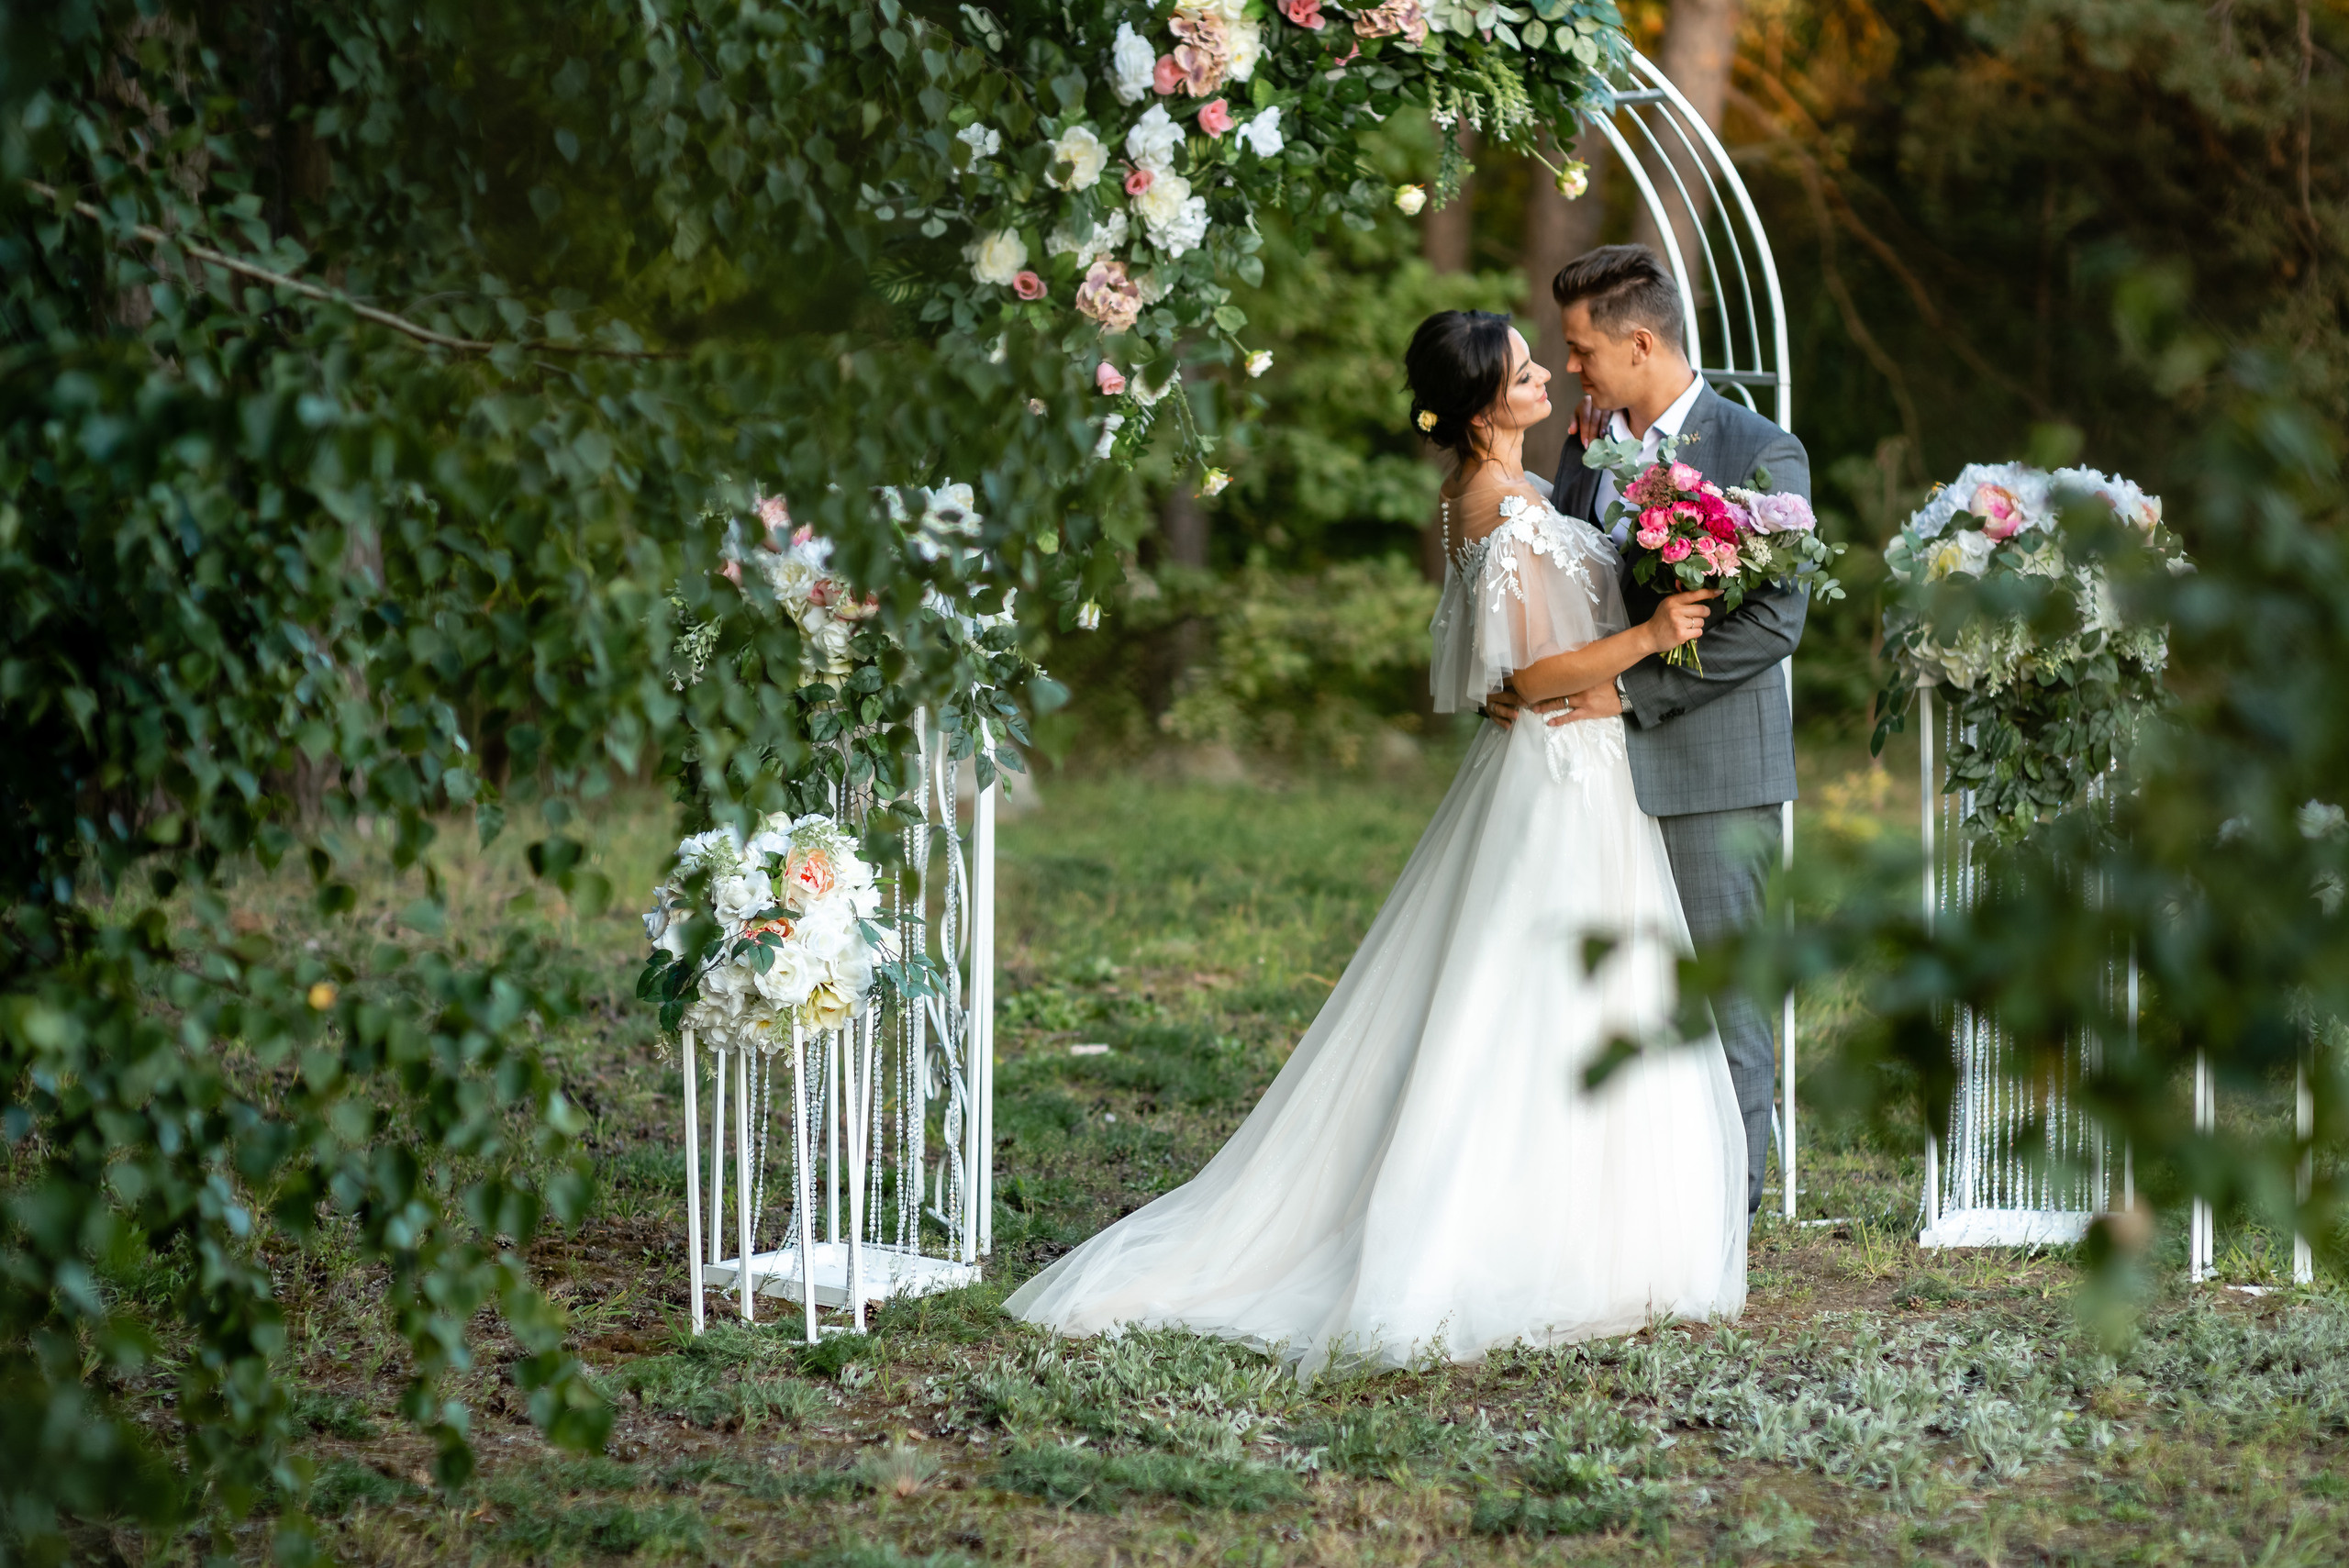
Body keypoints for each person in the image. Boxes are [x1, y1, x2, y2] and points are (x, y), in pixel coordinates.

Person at [1005, 310, 1749, 1377]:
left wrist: (1587, 465)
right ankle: (1522, 1235)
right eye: (1526, 370)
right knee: (1538, 998)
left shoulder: (1506, 487)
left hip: (1579, 772)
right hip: (1560, 774)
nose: (1546, 373)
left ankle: (1597, 1222)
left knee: (1563, 991)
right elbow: (1524, 679)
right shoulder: (1492, 504)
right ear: (1485, 402)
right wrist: (1649, 638)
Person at [1489, 244, 1811, 1218]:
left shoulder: (1758, 450)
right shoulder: (1586, 441)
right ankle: (1634, 1209)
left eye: (1582, 348)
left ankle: (1727, 1214)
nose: (1571, 367)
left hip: (1712, 768)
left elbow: (1773, 622)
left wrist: (1629, 696)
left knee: (1726, 1008)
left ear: (1640, 341)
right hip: (1592, 776)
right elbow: (1573, 581)